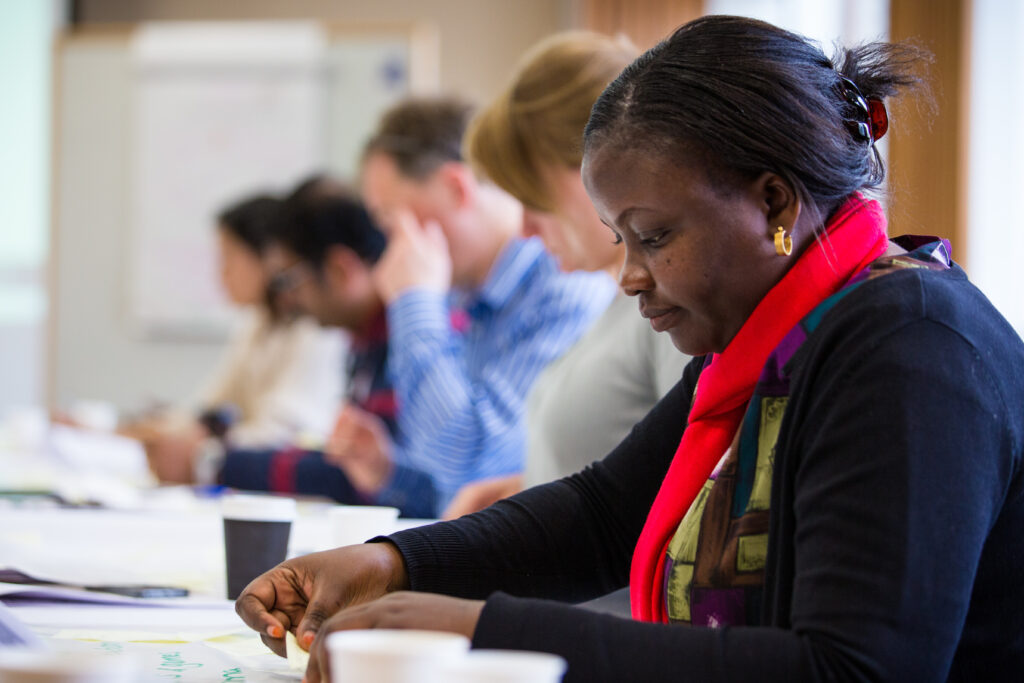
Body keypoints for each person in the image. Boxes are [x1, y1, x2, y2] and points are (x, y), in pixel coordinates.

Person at [237, 16, 1024, 682]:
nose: (630, 276)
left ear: (774, 201)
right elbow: (606, 513)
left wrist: (482, 632)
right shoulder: (779, 336)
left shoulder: (909, 347)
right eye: (621, 239)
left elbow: (848, 667)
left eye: (654, 236)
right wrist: (390, 563)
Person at [443, 31, 690, 519]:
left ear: (598, 164)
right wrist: (529, 493)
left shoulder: (670, 306)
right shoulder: (618, 301)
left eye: (536, 197)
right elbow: (625, 475)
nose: (526, 227)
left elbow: (689, 505)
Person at [326, 97, 615, 509]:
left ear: (455, 187)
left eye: (391, 220)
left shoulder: (565, 289)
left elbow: (472, 462)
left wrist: (414, 302)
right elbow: (466, 498)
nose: (393, 246)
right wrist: (390, 471)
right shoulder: (466, 297)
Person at [214, 187, 439, 518]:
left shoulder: (406, 336)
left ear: (339, 270)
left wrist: (220, 464)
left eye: (292, 280)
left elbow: (357, 479)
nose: (288, 299)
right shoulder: (365, 341)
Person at [142, 194, 343, 484]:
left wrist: (202, 450)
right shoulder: (257, 323)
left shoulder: (317, 327)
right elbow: (212, 404)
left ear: (271, 257)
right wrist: (168, 433)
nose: (221, 274)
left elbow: (286, 430)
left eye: (229, 258)